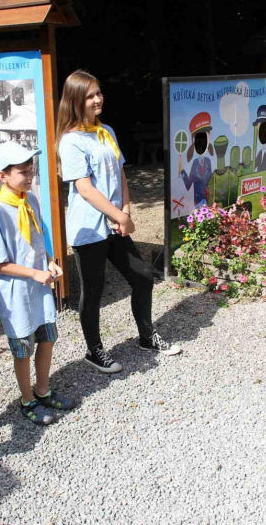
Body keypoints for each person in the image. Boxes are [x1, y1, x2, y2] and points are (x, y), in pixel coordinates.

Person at [57, 70, 181, 374]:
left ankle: (146, 336)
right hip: (89, 227)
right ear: (76, 100)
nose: (98, 98)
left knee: (141, 276)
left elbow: (121, 174)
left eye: (99, 92)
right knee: (94, 290)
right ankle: (94, 350)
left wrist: (125, 211)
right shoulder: (71, 141)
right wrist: (118, 215)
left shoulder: (106, 131)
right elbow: (84, 189)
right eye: (90, 95)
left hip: (114, 223)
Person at [0, 141, 73, 425]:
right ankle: (27, 399)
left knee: (48, 338)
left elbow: (37, 240)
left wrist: (48, 262)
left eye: (31, 169)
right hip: (17, 293)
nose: (30, 175)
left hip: (39, 288)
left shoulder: (29, 200)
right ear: (2, 176)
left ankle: (43, 390)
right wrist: (34, 273)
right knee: (23, 348)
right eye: (23, 171)